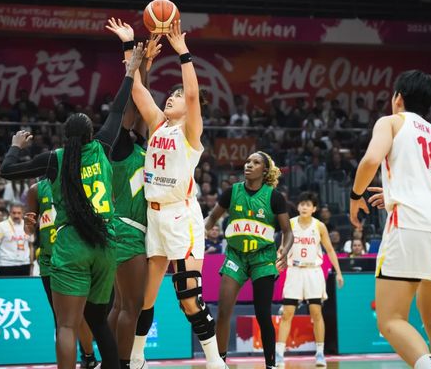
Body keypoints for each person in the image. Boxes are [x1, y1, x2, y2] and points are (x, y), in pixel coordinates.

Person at [0, 44, 144, 369]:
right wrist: (131, 69)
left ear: (65, 137)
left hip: (72, 243)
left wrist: (15, 147)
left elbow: (8, 171)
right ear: (92, 133)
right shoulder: (103, 147)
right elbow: (118, 110)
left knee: (66, 326)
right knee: (99, 320)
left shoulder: (55, 160)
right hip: (105, 244)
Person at [350, 70, 431, 369]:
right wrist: (393, 193)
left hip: (413, 220)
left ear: (397, 97)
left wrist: (355, 195)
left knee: (390, 319)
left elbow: (371, 160)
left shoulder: (391, 122)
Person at [130, 20, 227, 369]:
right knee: (145, 297)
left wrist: (183, 52)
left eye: (177, 96)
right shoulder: (158, 124)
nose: (171, 98)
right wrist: (134, 53)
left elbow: (192, 95)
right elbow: (136, 89)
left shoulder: (191, 132)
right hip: (153, 215)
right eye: (169, 95)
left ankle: (215, 361)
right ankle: (137, 356)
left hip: (180, 216)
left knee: (188, 298)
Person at [105, 19, 160, 369]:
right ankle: (123, 363)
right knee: (131, 306)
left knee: (120, 306)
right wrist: (131, 56)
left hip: (126, 230)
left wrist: (146, 67)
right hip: (125, 231)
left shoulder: (136, 147)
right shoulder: (118, 149)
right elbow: (130, 107)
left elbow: (143, 106)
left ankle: (110, 362)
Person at [205, 151, 293, 367]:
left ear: (265, 170)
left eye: (255, 162)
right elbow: (212, 218)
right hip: (236, 256)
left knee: (263, 314)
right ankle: (220, 363)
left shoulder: (274, 197)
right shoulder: (232, 192)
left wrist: (284, 249)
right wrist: (201, 231)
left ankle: (271, 364)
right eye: (247, 161)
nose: (249, 165)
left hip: (262, 258)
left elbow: (288, 232)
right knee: (223, 311)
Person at [24, 180, 98, 368]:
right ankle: (84, 359)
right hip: (50, 260)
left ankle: (89, 355)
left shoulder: (77, 179)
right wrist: (28, 224)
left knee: (80, 315)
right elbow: (29, 229)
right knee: (62, 319)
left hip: (75, 256)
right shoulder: (36, 190)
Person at [276, 192, 343, 367]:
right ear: (298, 207)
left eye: (308, 205)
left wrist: (339, 272)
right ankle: (279, 354)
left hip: (313, 271)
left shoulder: (319, 226)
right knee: (287, 313)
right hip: (294, 271)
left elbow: (330, 250)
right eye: (302, 204)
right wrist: (279, 259)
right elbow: (282, 247)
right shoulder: (290, 224)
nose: (304, 207)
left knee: (316, 312)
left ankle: (320, 353)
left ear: (314, 209)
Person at [0, 203, 33, 276]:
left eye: (19, 213)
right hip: (6, 264)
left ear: (23, 213)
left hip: (25, 264)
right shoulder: (2, 226)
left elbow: (31, 246)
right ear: (10, 213)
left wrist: (31, 264)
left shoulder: (28, 225)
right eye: (14, 213)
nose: (16, 215)